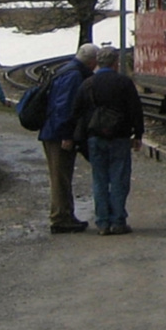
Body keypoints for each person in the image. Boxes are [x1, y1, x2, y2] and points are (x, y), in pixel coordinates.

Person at [71, 46, 144, 236]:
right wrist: (138, 135)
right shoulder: (124, 83)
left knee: (99, 180)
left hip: (95, 138)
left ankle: (102, 223)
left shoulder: (88, 83)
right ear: (114, 63)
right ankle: (118, 221)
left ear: (98, 62)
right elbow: (135, 110)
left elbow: (76, 111)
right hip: (119, 137)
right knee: (119, 179)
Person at [39, 43, 98, 234]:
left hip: (52, 131)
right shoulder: (74, 75)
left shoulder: (67, 70)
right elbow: (64, 107)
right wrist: (67, 135)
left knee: (60, 176)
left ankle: (65, 215)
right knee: (61, 177)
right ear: (91, 61)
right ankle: (61, 218)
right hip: (58, 134)